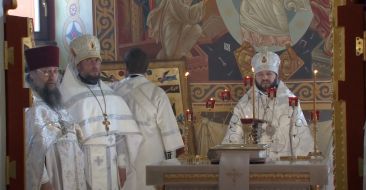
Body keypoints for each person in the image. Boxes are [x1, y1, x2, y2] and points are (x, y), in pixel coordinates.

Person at [60, 34, 142, 190]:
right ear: (78, 65)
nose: (95, 65)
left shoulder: (111, 96)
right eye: (89, 61)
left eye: (97, 60)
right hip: (83, 167)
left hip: (111, 166)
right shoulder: (68, 98)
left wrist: (122, 166)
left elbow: (121, 138)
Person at [112, 48, 184, 190]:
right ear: (147, 67)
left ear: (125, 67)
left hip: (121, 160)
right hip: (151, 161)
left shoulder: (114, 91)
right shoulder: (157, 93)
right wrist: (171, 164)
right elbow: (169, 132)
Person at [222, 51, 314, 159]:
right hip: (253, 166)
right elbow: (234, 138)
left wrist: (302, 165)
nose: (264, 77)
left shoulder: (290, 103)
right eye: (260, 74)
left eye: (269, 73)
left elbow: (301, 138)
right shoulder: (244, 105)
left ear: (276, 75)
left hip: (283, 167)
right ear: (255, 76)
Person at [25, 46, 86, 190]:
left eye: (55, 71)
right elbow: (30, 153)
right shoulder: (30, 108)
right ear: (32, 74)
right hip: (52, 179)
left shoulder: (57, 104)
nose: (52, 76)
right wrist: (45, 182)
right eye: (45, 71)